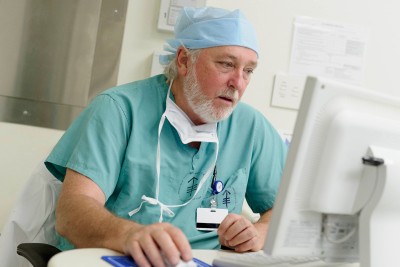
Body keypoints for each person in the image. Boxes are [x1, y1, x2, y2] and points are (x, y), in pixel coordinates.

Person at [45, 6, 287, 267]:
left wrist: (259, 233)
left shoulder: (250, 126)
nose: (238, 83)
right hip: (113, 257)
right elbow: (71, 211)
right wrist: (128, 234)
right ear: (184, 60)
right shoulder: (119, 109)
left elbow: (286, 211)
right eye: (226, 64)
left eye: (248, 70)